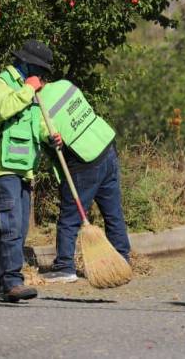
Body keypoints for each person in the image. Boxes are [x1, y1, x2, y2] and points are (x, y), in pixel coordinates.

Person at [0, 40, 54, 302]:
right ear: (25, 63)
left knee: (16, 229)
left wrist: (50, 136)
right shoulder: (1, 83)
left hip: (25, 169)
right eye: (38, 68)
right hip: (4, 167)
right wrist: (27, 89)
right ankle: (13, 282)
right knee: (11, 227)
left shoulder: (32, 90)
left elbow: (37, 124)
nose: (41, 74)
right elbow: (2, 111)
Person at [37, 79, 131, 283]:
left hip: (84, 161)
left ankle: (64, 266)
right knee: (113, 212)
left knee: (70, 218)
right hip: (106, 147)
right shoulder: (65, 85)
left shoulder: (38, 107)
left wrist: (53, 138)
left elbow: (46, 133)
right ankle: (122, 259)